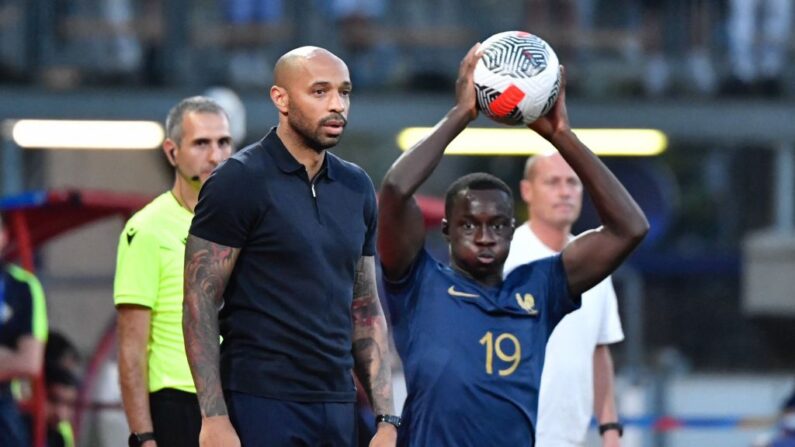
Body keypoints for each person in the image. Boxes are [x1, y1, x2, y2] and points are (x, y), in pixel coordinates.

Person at [377, 43, 648, 445]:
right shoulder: (418, 284)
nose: (485, 236)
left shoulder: (540, 288)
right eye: (470, 225)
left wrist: (562, 136)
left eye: (498, 225)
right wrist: (460, 114)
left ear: (512, 229)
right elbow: (396, 191)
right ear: (448, 230)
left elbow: (630, 229)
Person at [183, 46, 397, 447]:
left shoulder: (357, 187)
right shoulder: (238, 181)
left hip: (337, 403)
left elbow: (365, 308)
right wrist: (213, 416)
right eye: (320, 92)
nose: (337, 105)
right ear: (280, 98)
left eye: (344, 92)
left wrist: (386, 418)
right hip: (260, 401)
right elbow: (199, 300)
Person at [114, 96, 233, 447]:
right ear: (172, 152)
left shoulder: (243, 225)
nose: (216, 156)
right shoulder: (147, 229)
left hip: (236, 399)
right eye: (201, 143)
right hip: (177, 403)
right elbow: (131, 347)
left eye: (224, 142)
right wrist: (145, 436)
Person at [503, 153, 625, 447]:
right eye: (552, 182)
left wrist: (609, 428)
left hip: (571, 437)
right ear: (527, 191)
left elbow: (599, 348)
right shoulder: (503, 258)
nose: (565, 191)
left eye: (573, 182)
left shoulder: (595, 262)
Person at [0, 214, 48, 446]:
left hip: (4, 405)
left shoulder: (22, 287)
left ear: (4, 236)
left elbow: (29, 362)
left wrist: (14, 360)